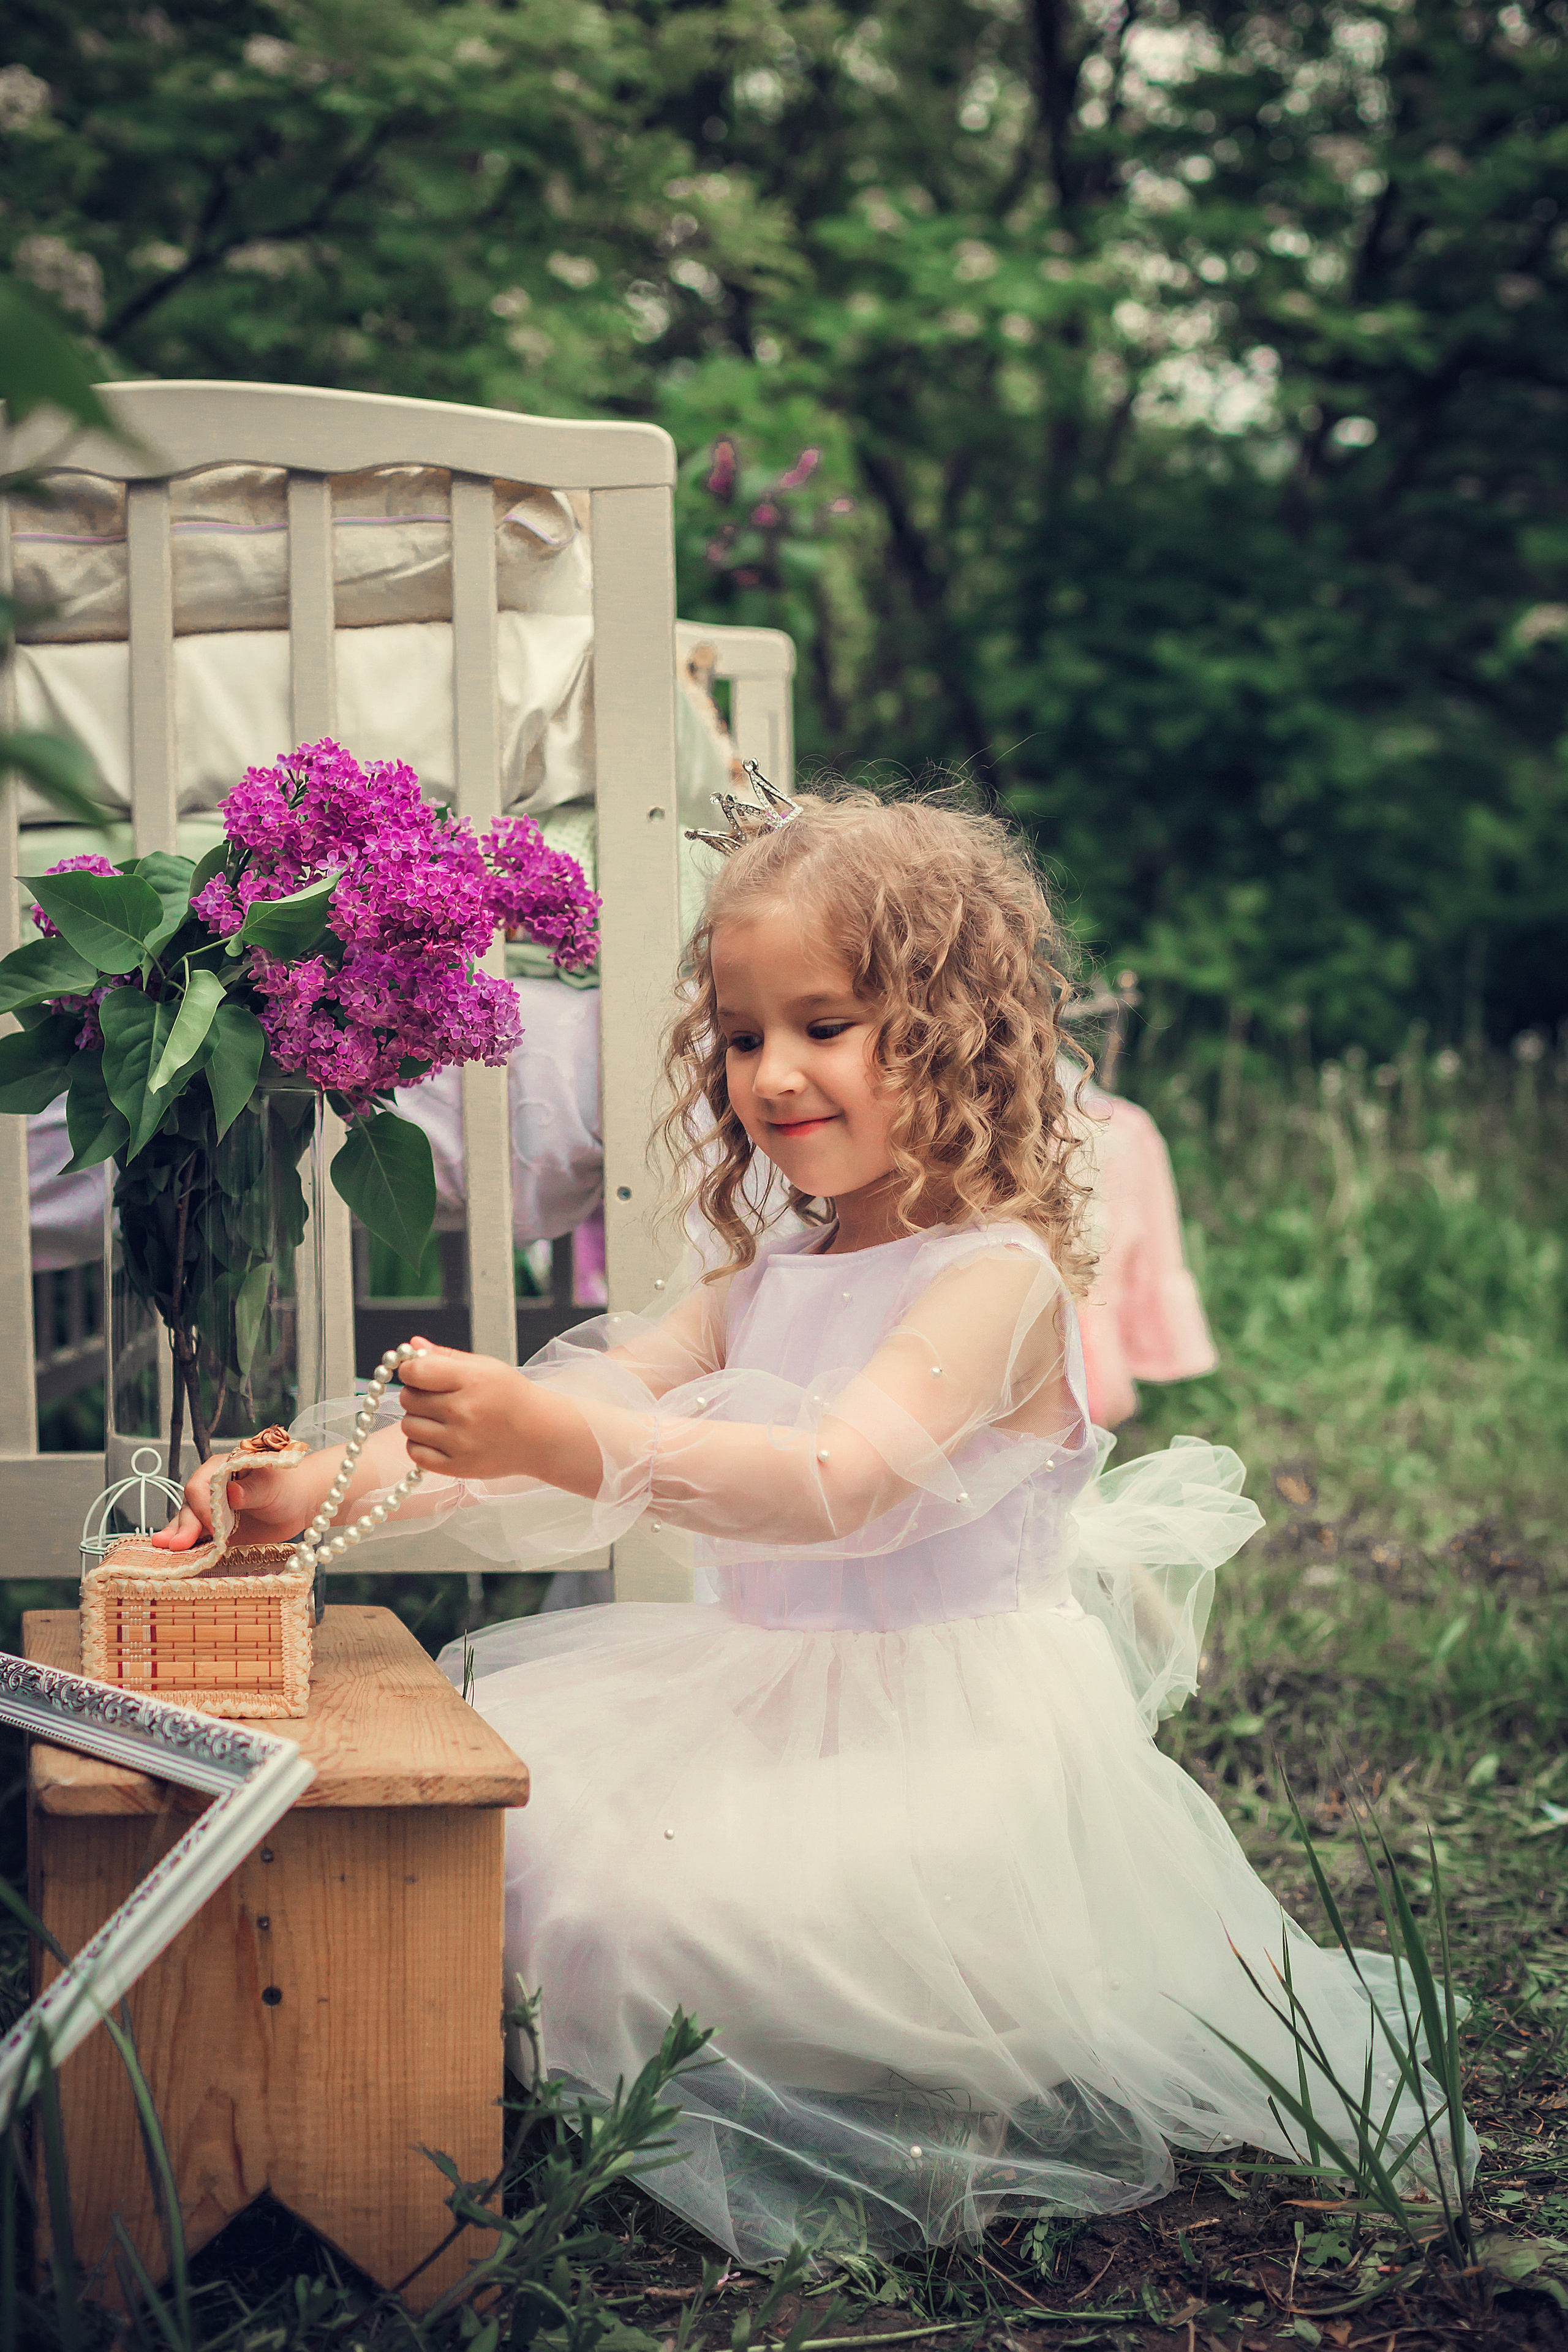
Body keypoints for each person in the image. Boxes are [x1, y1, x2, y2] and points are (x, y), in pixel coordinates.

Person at [156, 785, 1465, 2263]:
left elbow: (836, 1487)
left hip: (946, 1730)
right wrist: (323, 1485)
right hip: (755, 1694)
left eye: (822, 1025)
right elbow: (523, 1436)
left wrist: (566, 1438)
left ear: (953, 1028)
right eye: (739, 1035)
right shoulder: (764, 1274)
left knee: (645, 1921)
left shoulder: (995, 1279)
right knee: (518, 1847)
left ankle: (884, 2080)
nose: (772, 1075)